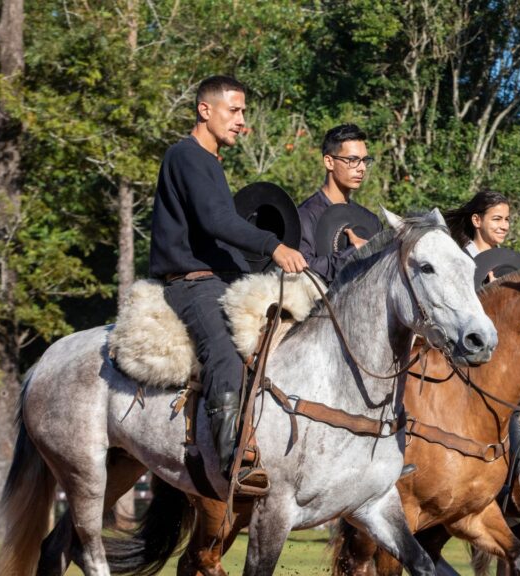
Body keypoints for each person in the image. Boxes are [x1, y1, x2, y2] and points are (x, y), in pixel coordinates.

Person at [149, 75, 307, 477]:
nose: (241, 121)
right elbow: (216, 220)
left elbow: (219, 228)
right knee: (224, 351)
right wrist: (274, 246)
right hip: (192, 283)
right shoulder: (186, 157)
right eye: (234, 111)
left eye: (243, 112)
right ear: (205, 110)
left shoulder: (210, 163)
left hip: (219, 279)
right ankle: (232, 458)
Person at [297, 124, 382, 284]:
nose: (362, 168)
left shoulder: (372, 221)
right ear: (329, 162)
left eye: (365, 160)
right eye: (352, 160)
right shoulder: (305, 215)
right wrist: (353, 253)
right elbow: (303, 270)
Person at [443, 190, 511, 258]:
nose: (504, 227)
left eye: (507, 219)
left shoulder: (509, 261)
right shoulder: (461, 261)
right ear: (476, 220)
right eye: (497, 219)